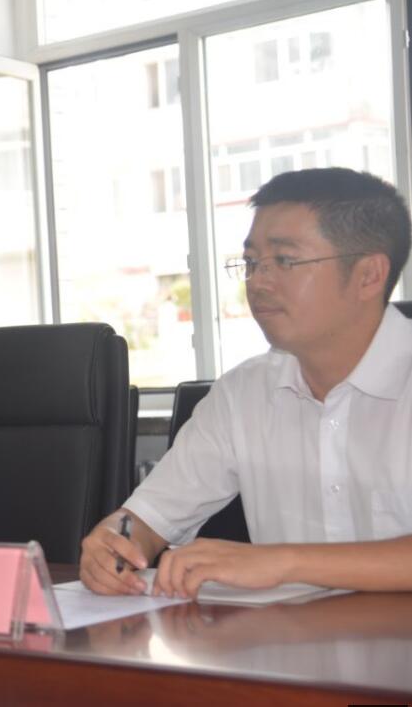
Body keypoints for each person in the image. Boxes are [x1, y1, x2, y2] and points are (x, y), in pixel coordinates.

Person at [80, 168, 412, 597]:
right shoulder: (242, 394)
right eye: (252, 263)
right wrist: (115, 542)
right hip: (289, 639)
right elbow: (147, 517)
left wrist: (283, 562)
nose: (258, 282)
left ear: (369, 275)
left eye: (285, 261)